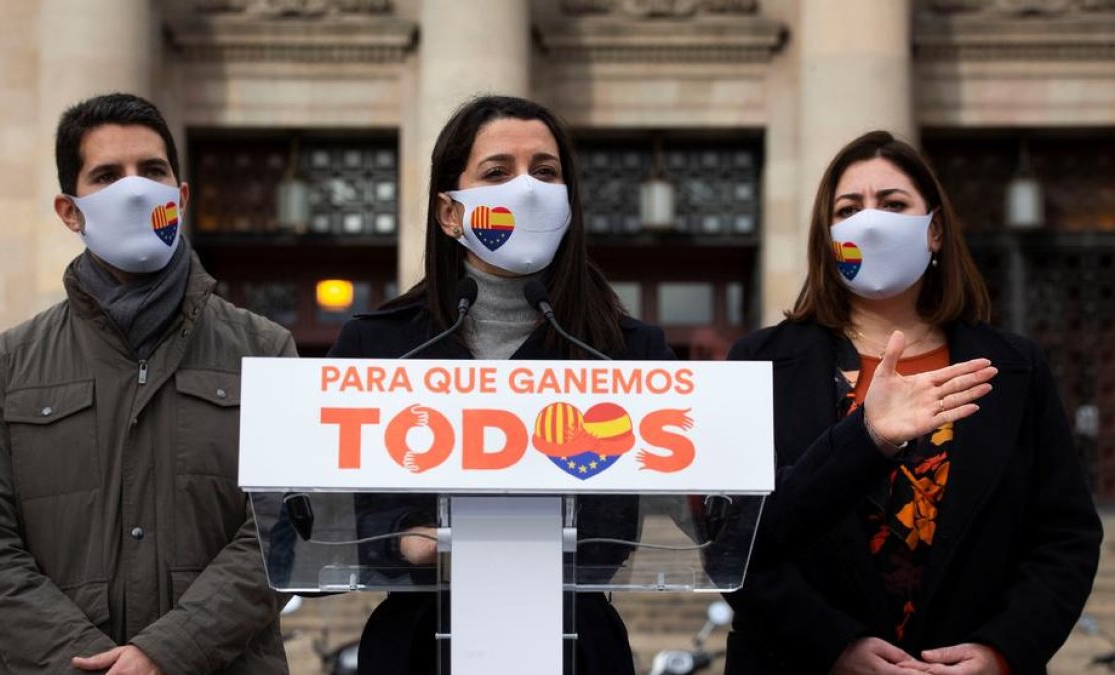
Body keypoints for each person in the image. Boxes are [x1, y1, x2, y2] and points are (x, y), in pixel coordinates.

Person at [723, 130, 1102, 675]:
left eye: (894, 204)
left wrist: (1003, 650)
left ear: (936, 232)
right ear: (828, 238)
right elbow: (734, 539)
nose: (871, 222)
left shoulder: (1013, 367)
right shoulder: (760, 361)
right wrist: (834, 646)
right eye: (849, 208)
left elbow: (1065, 535)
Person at [0, 93, 294, 675]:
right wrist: (86, 662)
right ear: (69, 210)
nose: (134, 191)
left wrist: (166, 652)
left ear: (179, 197)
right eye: (106, 176)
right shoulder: (5, 367)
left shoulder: (265, 350)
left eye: (152, 171)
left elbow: (284, 530)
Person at [326, 95, 670, 675]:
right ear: (450, 212)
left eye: (545, 171)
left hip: (576, 644)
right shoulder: (376, 346)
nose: (527, 188)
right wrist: (403, 540)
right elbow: (324, 517)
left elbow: (628, 528)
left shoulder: (629, 353)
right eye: (497, 172)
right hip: (416, 646)